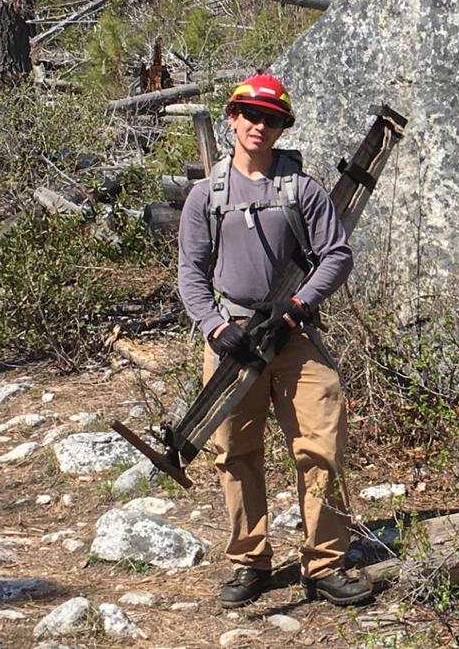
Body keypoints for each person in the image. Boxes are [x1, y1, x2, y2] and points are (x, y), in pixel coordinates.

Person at [177, 73, 372, 608]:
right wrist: (216, 329)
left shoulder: (301, 189)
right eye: (251, 115)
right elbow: (191, 272)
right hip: (231, 339)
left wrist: (298, 306)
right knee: (234, 451)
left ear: (283, 127)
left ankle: (325, 563)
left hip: (293, 331)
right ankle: (249, 562)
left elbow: (336, 255)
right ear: (233, 119)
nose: (260, 126)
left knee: (321, 443)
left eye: (272, 118)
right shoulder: (206, 196)